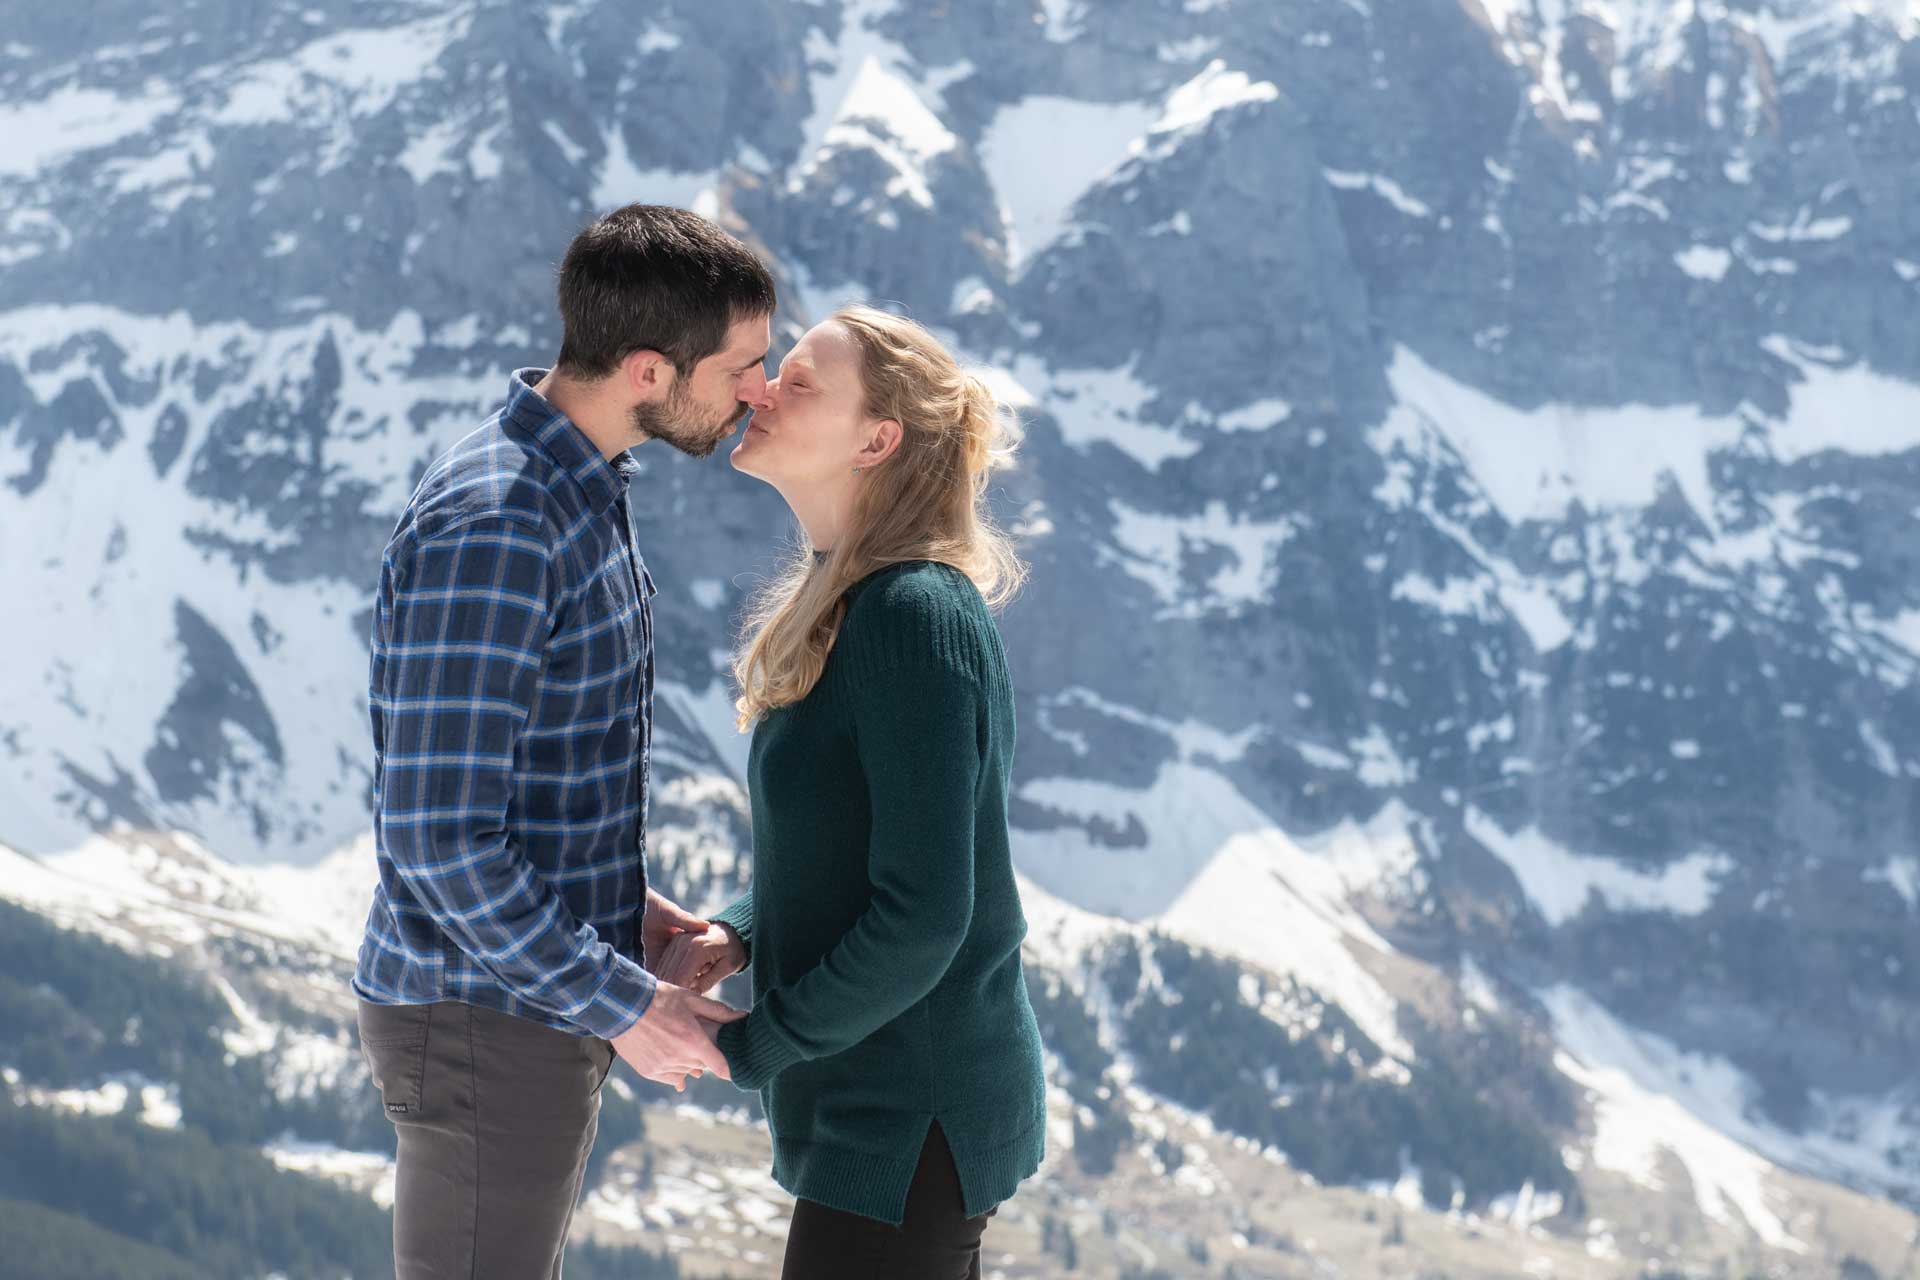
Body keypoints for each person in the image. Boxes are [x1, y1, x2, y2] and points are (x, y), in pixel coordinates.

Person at [350, 203, 772, 1279]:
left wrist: (630, 914)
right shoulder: (503, 520)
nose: (757, 393)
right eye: (741, 368)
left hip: (521, 1002)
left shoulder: (576, 487)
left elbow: (529, 784)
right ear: (647, 369)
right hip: (483, 1020)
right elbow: (440, 840)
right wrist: (629, 1001)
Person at [656, 304, 1048, 1279]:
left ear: (878, 438)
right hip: (881, 1105)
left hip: (912, 1110)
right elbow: (856, 839)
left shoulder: (912, 613)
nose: (758, 389)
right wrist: (739, 930)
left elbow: (924, 912)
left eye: (798, 381)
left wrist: (753, 1042)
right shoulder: (858, 602)